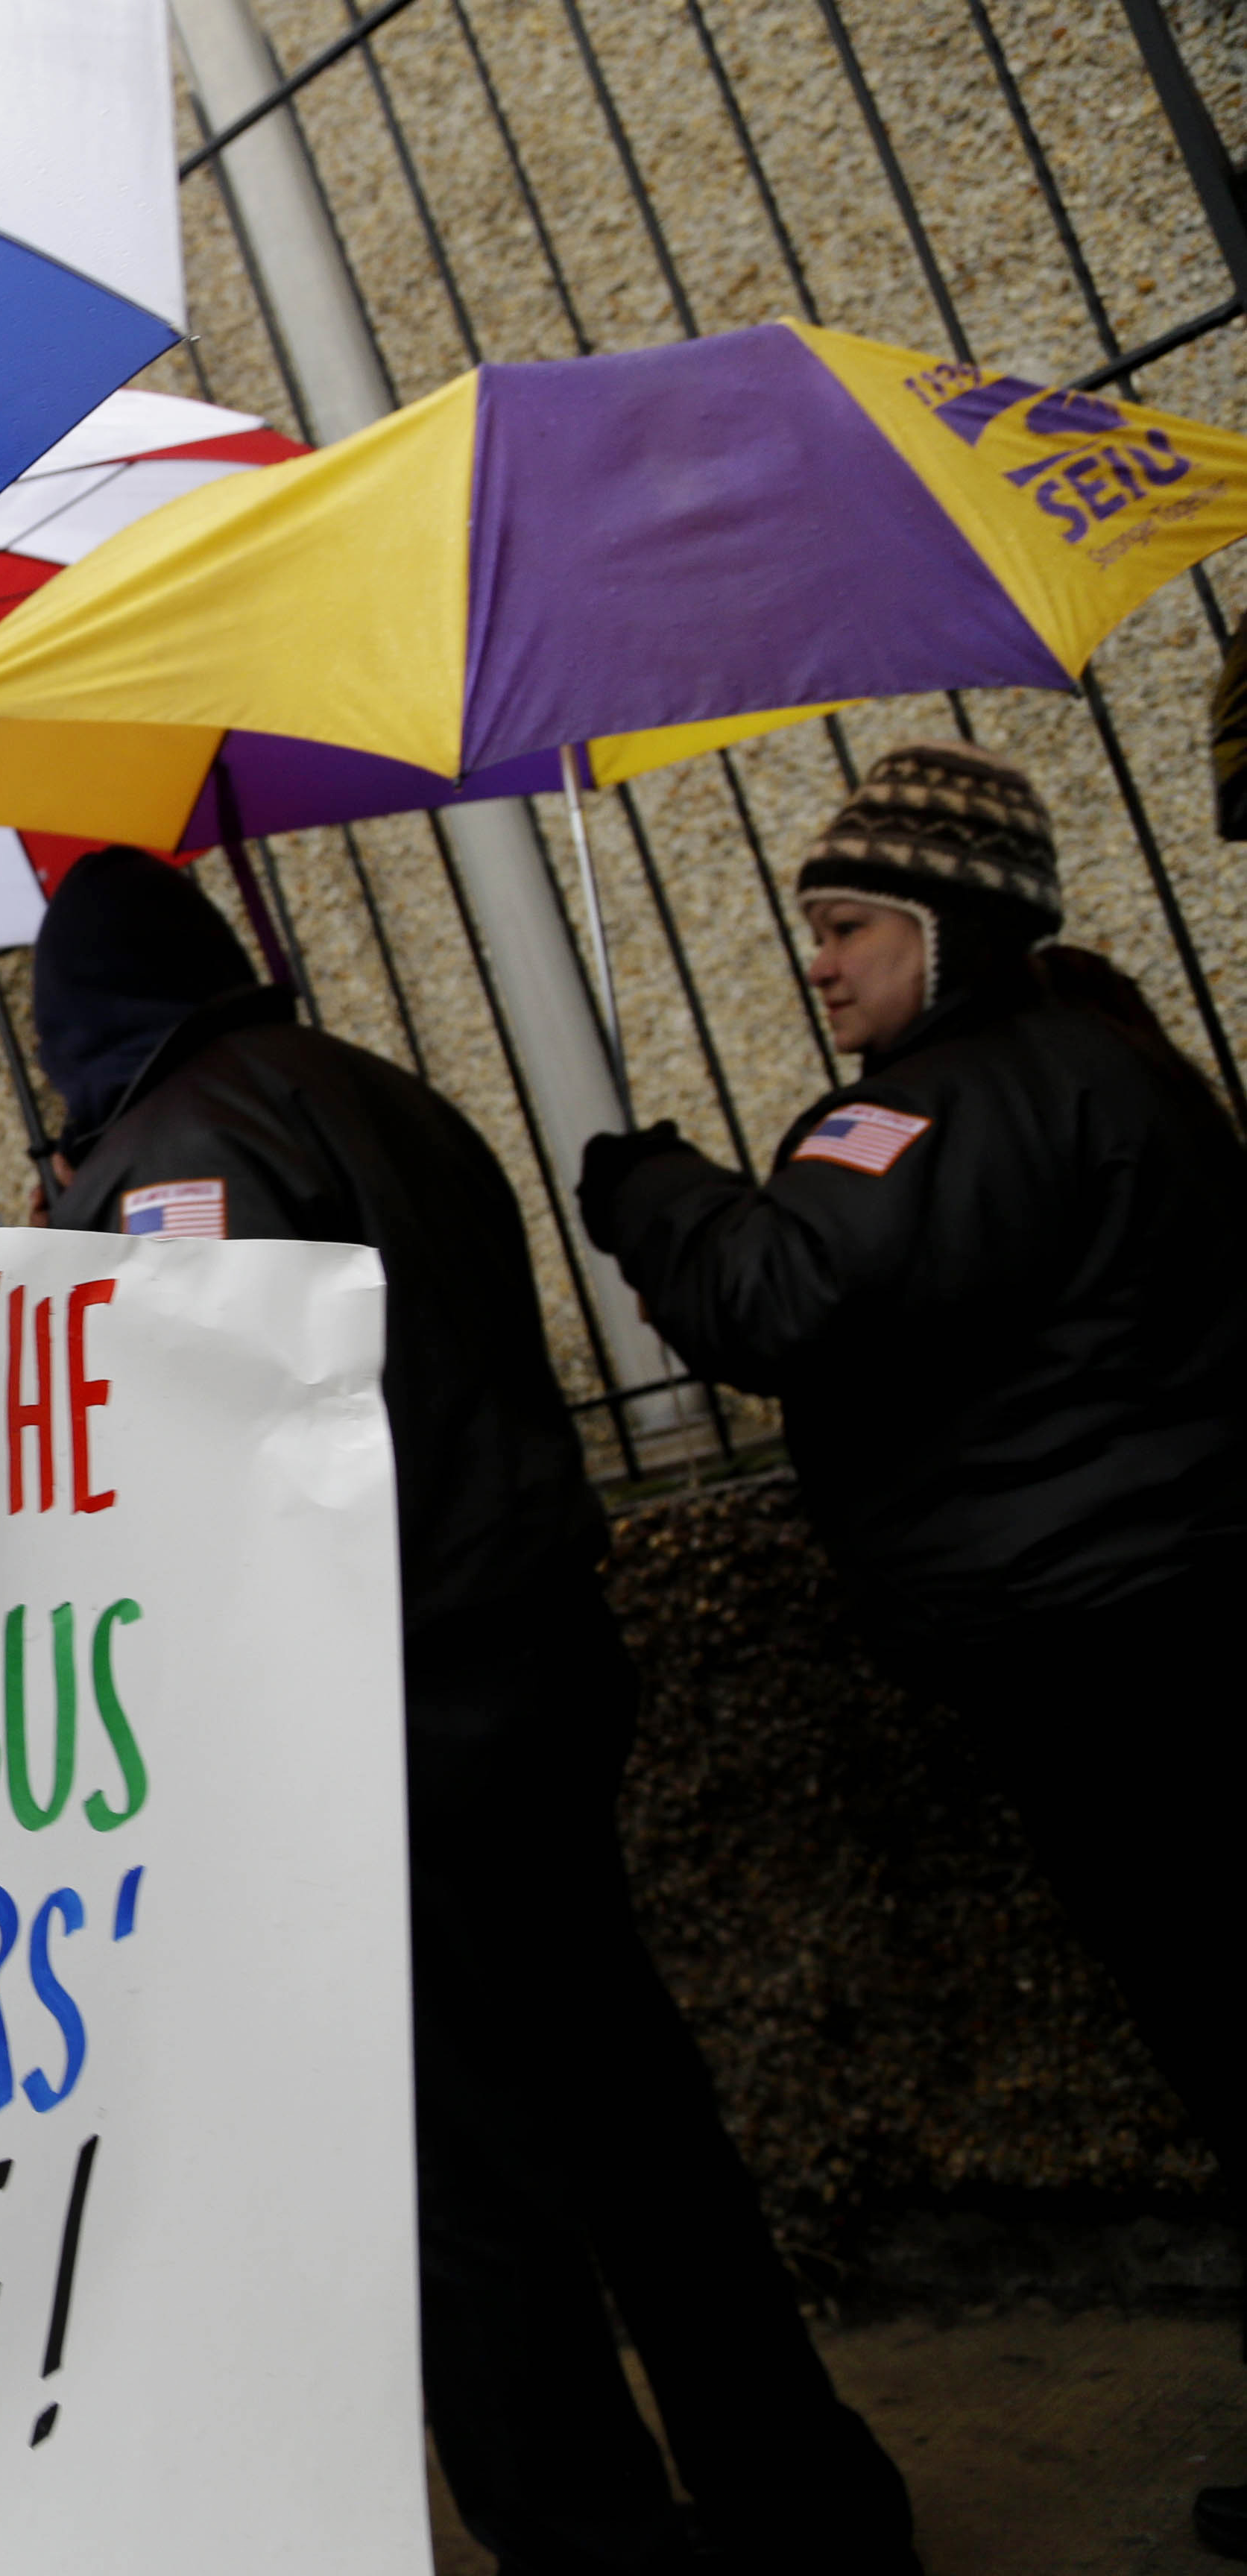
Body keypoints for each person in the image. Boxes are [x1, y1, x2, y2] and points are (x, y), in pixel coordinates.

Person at [38, 847, 916, 2575]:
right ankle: (807, 2500)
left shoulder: (168, 1164)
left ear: (81, 1017)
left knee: (461, 2181)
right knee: (633, 2110)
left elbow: (184, 1464)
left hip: (368, 1717)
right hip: (528, 1656)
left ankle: (590, 2535)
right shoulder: (384, 1092)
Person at [580, 740, 1247, 2561]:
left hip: (1096, 1657)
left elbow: (769, 1296)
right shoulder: (1118, 1064)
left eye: (850, 923)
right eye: (806, 925)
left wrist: (643, 1186)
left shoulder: (925, 1109)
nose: (820, 959)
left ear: (947, 929)